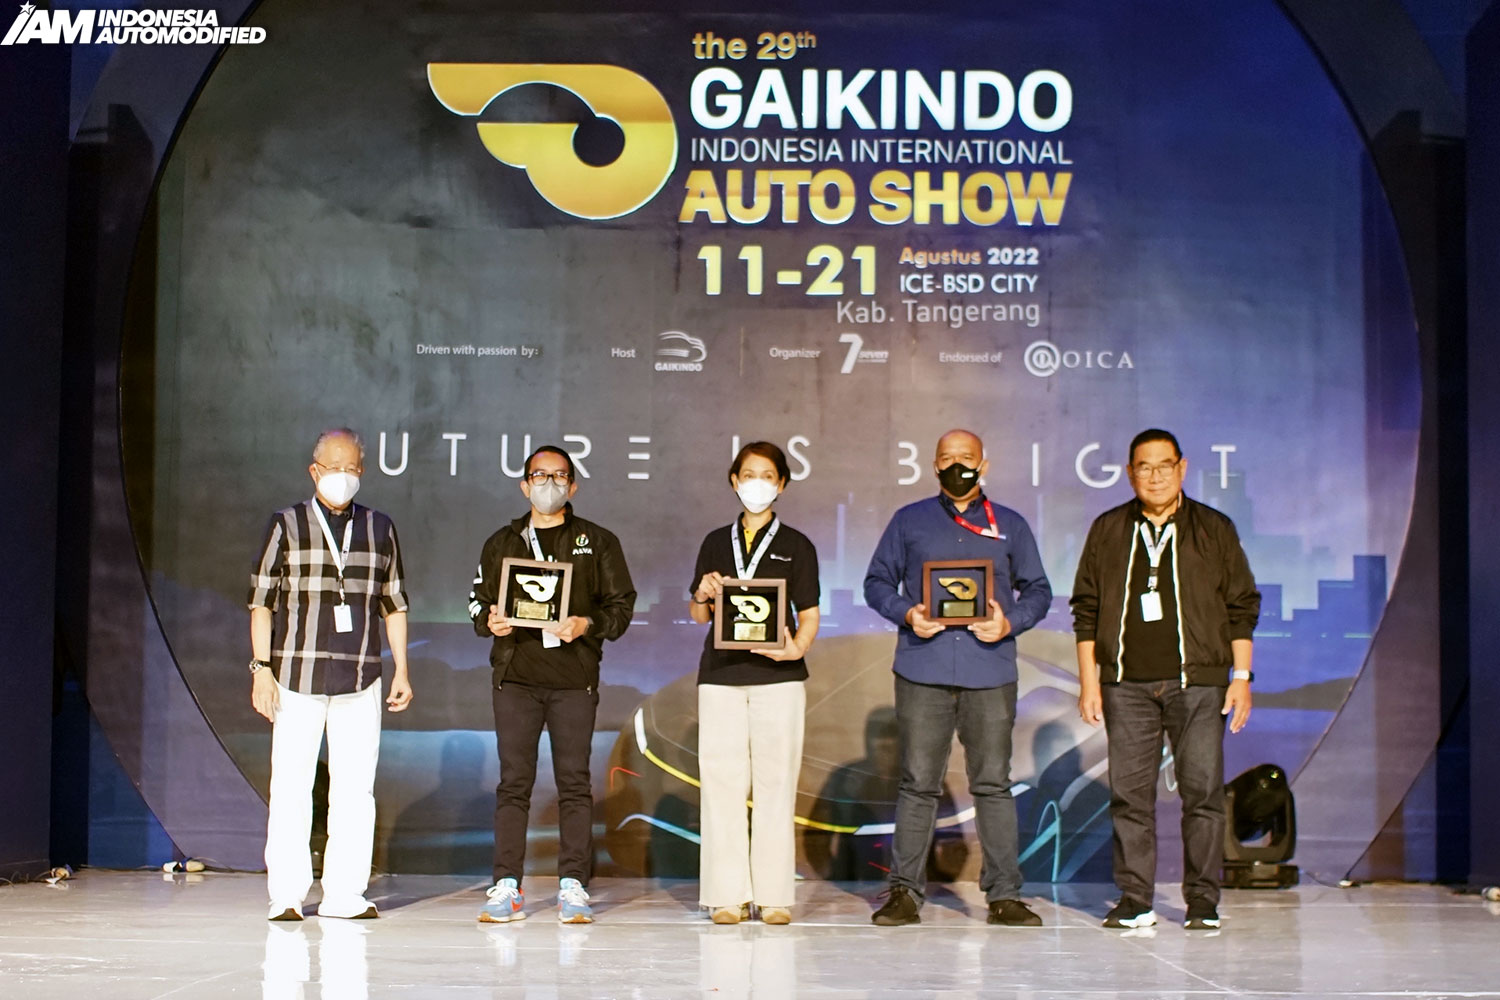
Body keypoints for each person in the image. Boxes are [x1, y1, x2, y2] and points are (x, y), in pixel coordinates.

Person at [1071, 428, 1259, 931]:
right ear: (1130, 473)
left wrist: (1241, 676)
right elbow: (1086, 609)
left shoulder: (1213, 528)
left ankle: (1203, 901)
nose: (1154, 476)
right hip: (1126, 685)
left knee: (1202, 794)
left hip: (1198, 685)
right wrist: (1090, 681)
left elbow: (1241, 606)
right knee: (1130, 798)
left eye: (1164, 466)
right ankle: (1135, 899)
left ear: (1182, 468)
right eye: (1144, 467)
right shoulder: (1109, 529)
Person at [863, 429, 1052, 926]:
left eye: (966, 458)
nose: (957, 465)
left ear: (983, 465)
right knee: (918, 784)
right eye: (946, 458)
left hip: (989, 670)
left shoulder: (1010, 524)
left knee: (992, 784)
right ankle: (905, 893)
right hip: (922, 668)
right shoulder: (909, 521)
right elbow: (876, 582)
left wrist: (1009, 623)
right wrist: (908, 614)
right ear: (934, 466)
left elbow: (1038, 590)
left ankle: (1004, 895)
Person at [248, 428, 413, 922]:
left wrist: (402, 669)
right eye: (334, 468)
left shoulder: (380, 527)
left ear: (361, 472)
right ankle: (287, 894)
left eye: (352, 468)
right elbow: (261, 602)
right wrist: (261, 669)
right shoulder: (286, 524)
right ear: (314, 471)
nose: (343, 476)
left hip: (361, 675)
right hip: (295, 675)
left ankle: (345, 894)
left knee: (355, 790)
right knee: (291, 786)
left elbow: (394, 604)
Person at [467, 445, 636, 924]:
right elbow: (477, 601)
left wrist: (587, 624)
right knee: (513, 783)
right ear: (525, 486)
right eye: (540, 476)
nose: (549, 484)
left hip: (573, 681)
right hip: (516, 679)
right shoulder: (502, 542)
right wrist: (489, 621)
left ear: (573, 485)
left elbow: (621, 607)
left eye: (559, 476)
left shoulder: (597, 541)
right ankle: (506, 884)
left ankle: (573, 885)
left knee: (574, 783)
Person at [688, 441, 821, 925]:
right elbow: (698, 614)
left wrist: (797, 647)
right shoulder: (714, 542)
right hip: (721, 676)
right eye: (748, 474)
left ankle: (773, 896)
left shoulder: (797, 545)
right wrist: (702, 593)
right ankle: (726, 895)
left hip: (779, 677)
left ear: (781, 484)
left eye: (767, 475)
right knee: (721, 784)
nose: (757, 483)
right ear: (734, 480)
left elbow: (809, 612)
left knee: (776, 784)